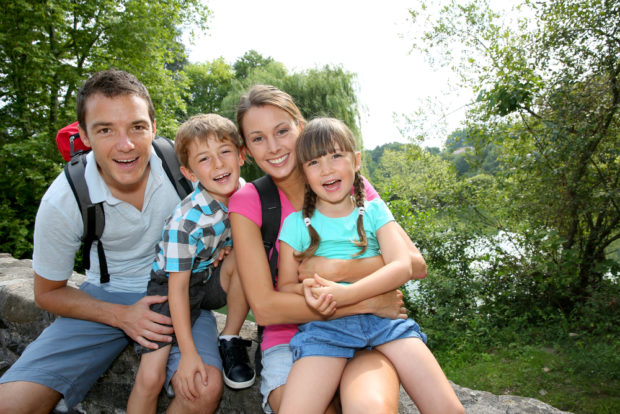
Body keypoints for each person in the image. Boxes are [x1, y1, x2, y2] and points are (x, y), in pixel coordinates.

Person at [0, 70, 222, 414]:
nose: (126, 145)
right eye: (106, 130)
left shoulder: (181, 169)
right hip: (105, 296)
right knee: (12, 403)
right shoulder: (65, 199)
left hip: (179, 291)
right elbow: (47, 292)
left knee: (203, 390)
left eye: (137, 127)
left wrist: (219, 248)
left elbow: (226, 211)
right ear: (85, 136)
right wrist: (121, 316)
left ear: (153, 126)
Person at [228, 84, 429, 413]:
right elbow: (265, 309)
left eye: (282, 131)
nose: (274, 147)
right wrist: (366, 302)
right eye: (258, 138)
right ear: (247, 148)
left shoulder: (348, 183)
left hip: (368, 333)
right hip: (291, 337)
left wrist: (338, 270)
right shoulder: (249, 202)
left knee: (370, 408)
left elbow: (414, 264)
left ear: (302, 129)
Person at [276, 117, 464, 414]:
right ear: (304, 173)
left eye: (336, 156)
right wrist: (310, 289)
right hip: (324, 330)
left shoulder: (374, 211)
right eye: (314, 162)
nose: (326, 169)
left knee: (448, 409)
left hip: (386, 323)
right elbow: (286, 286)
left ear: (356, 160)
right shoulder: (295, 225)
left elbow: (402, 265)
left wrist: (347, 295)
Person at [126, 114, 254, 414]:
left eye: (225, 152)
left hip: (207, 277)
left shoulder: (245, 194)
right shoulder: (186, 222)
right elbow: (178, 290)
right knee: (151, 377)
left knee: (249, 254)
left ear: (241, 155)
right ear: (190, 173)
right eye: (205, 159)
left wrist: (228, 247)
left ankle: (230, 336)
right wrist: (189, 354)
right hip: (170, 290)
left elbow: (237, 236)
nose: (220, 165)